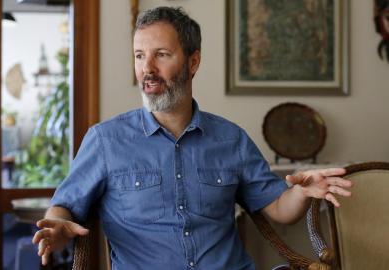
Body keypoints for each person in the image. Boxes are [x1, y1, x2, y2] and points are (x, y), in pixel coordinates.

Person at [32, 7, 352, 270]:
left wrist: (302, 192)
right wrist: (56, 226)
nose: (147, 69)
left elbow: (280, 208)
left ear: (193, 61)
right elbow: (64, 206)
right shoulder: (105, 140)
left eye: (161, 55)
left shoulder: (231, 139)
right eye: (140, 55)